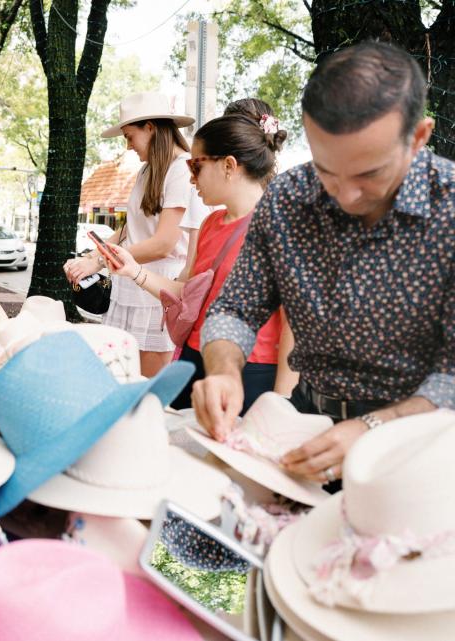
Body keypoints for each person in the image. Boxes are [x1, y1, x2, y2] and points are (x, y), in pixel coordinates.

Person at [192, 41, 455, 485]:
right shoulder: (287, 199)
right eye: (327, 169)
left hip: (420, 450)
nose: (345, 195)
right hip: (305, 422)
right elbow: (234, 310)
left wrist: (374, 427)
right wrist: (223, 371)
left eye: (369, 173)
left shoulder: (450, 212)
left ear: (419, 137)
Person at [106, 110, 298, 412]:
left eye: (196, 165)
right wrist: (133, 271)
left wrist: (282, 400)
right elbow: (186, 293)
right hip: (194, 358)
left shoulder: (281, 227)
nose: (191, 178)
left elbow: (294, 325)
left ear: (229, 166)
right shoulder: (210, 225)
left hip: (252, 371)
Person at [64, 93, 207, 376]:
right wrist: (92, 255)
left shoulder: (181, 169)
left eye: (129, 137)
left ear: (151, 128)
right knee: (119, 375)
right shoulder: (146, 171)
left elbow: (163, 243)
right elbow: (131, 227)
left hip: (157, 287)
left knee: (145, 385)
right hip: (130, 282)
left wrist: (100, 261)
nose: (128, 146)